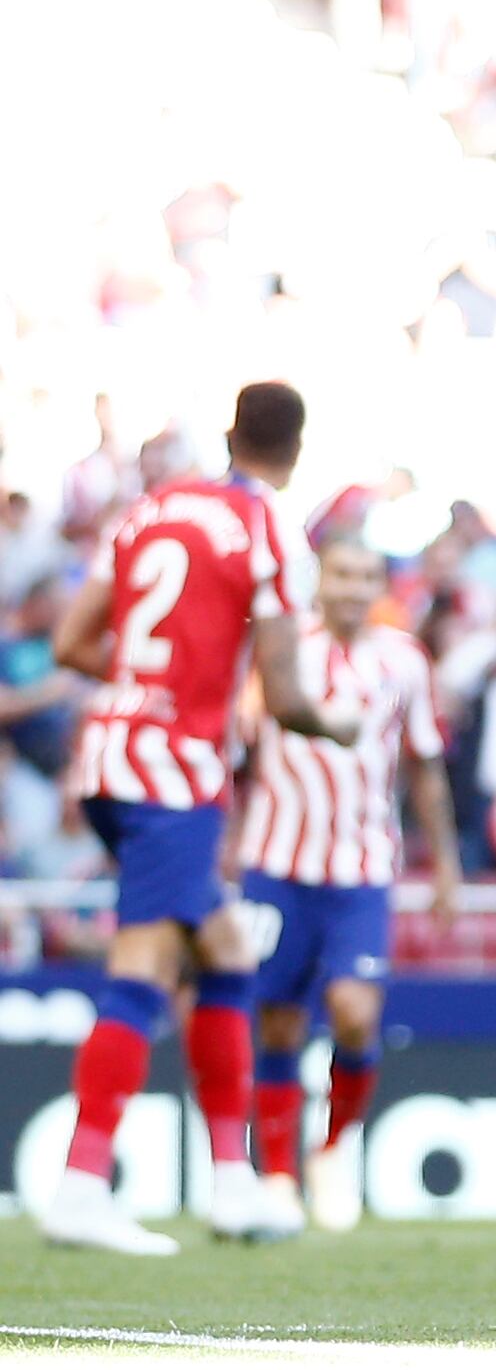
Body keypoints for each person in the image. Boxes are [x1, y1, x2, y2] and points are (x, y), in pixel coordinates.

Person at [43, 382, 355, 1255]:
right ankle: (79, 1184)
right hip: (172, 775)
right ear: (296, 452)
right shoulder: (270, 536)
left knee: (222, 951)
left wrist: (148, 686)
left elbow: (72, 644)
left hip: (108, 755)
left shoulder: (150, 510)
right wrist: (340, 725)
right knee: (145, 959)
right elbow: (290, 697)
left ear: (229, 436)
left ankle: (231, 1183)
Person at [240, 539, 461, 1234]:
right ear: (319, 580)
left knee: (356, 1011)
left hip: (363, 866)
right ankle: (278, 1174)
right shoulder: (279, 650)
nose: (352, 587)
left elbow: (424, 765)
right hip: (276, 862)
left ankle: (332, 1149)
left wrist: (446, 862)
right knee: (276, 1020)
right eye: (341, 573)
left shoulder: (404, 660)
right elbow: (237, 746)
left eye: (367, 575)